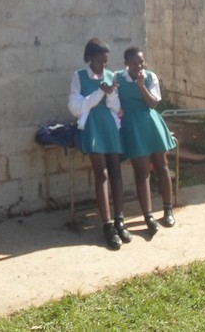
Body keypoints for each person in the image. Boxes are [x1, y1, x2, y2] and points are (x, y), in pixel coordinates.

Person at [68, 38, 131, 250]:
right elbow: (76, 107)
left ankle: (120, 220)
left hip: (109, 126)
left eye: (106, 61)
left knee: (115, 171)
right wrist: (100, 92)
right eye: (99, 61)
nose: (103, 65)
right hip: (92, 127)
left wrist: (111, 93)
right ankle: (107, 225)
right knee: (101, 173)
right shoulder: (78, 77)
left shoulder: (111, 76)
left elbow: (115, 108)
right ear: (89, 58)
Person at [116, 46, 177, 234]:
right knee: (142, 172)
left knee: (162, 166)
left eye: (141, 62)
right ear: (126, 64)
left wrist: (141, 85)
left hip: (151, 123)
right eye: (134, 63)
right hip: (132, 127)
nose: (138, 66)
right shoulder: (117, 78)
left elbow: (152, 103)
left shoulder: (150, 77)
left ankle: (168, 209)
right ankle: (148, 216)